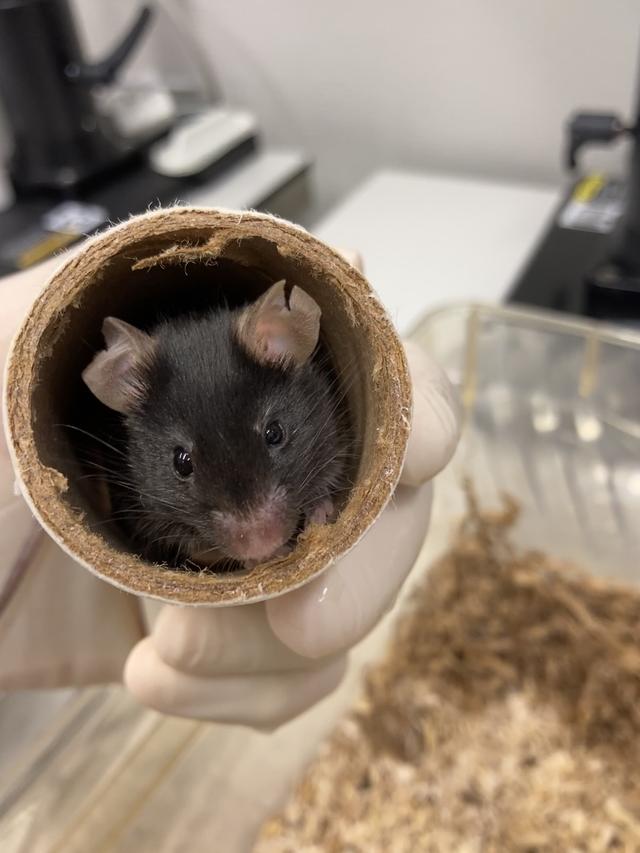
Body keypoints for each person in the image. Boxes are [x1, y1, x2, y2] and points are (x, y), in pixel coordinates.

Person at [0, 247, 460, 729]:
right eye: (183, 464)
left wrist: (326, 498)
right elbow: (146, 525)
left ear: (284, 339)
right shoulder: (142, 448)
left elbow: (336, 440)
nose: (259, 530)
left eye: (274, 436)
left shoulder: (293, 381)